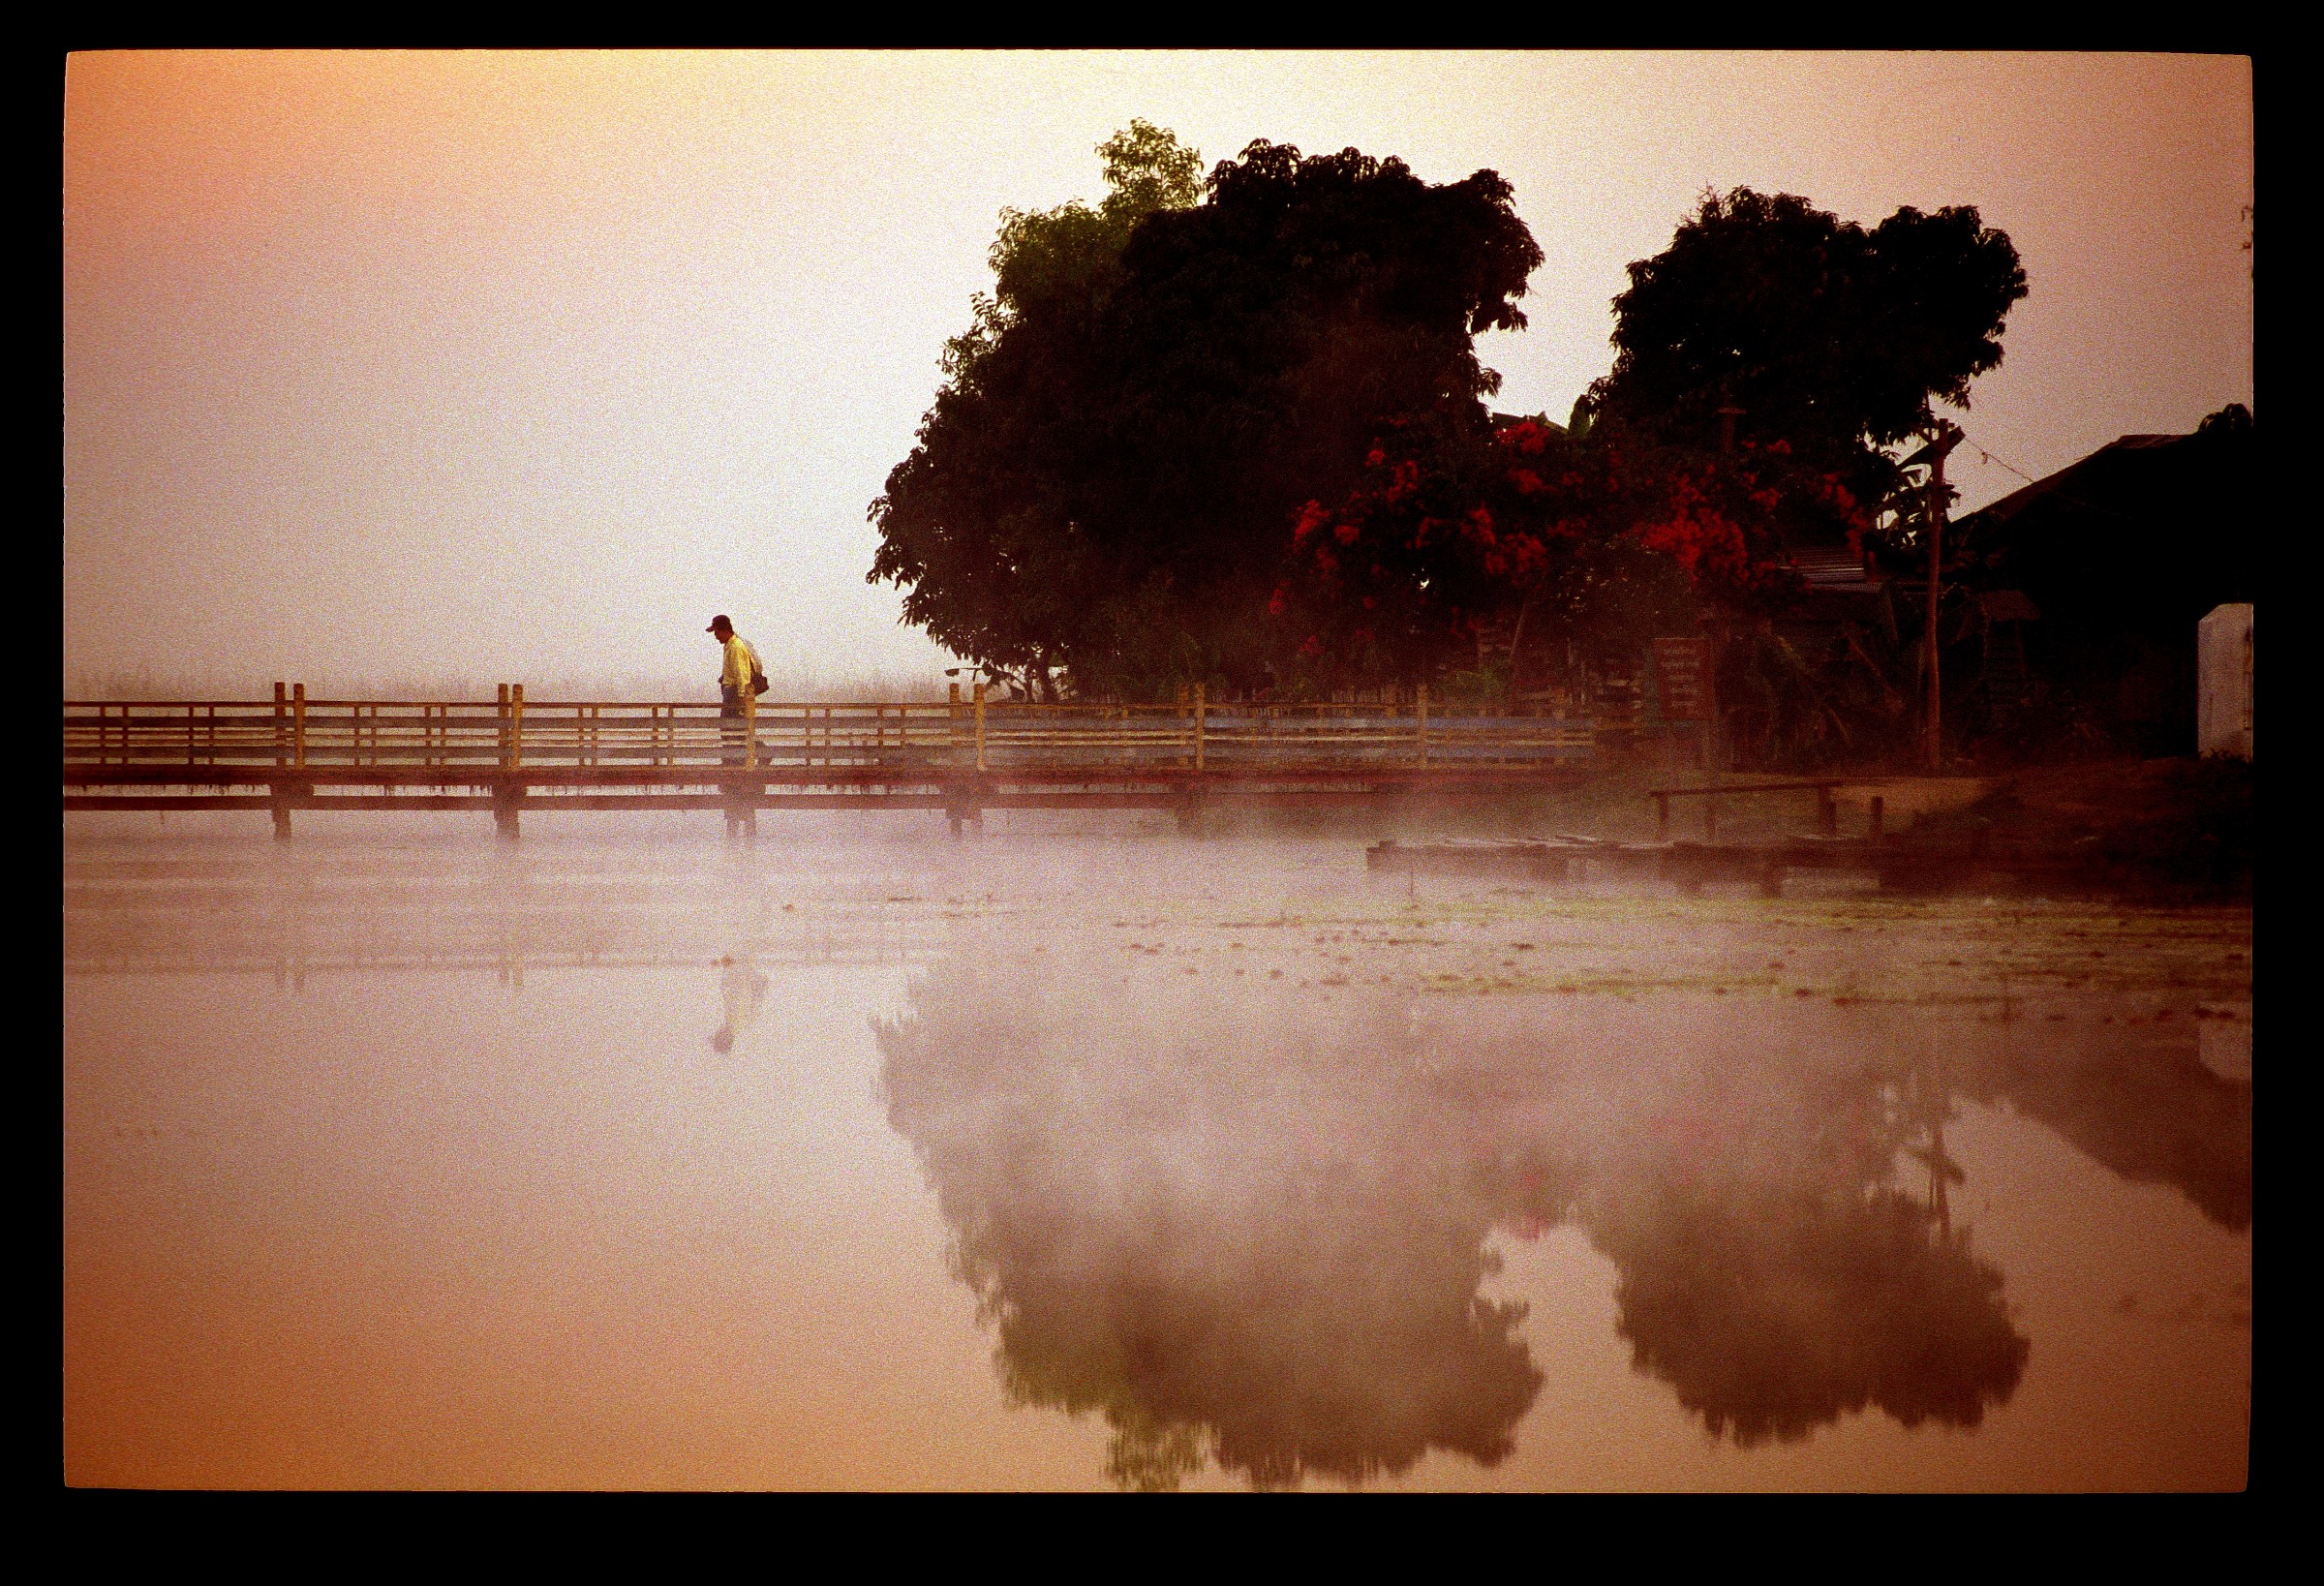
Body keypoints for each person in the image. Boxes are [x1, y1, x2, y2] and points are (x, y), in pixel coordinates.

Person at [707, 614, 766, 765]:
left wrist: (742, 697)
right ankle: (735, 758)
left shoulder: (736, 647)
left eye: (717, 632)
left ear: (725, 630)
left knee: (731, 728)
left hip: (735, 694)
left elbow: (742, 675)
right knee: (733, 728)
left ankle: (735, 759)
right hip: (730, 691)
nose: (715, 636)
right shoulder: (730, 645)